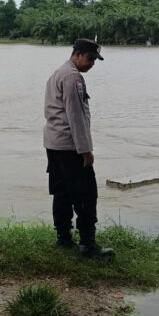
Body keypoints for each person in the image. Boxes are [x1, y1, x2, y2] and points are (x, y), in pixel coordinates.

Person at [43, 38, 115, 258]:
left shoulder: (59, 72)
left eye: (95, 60)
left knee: (62, 193)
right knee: (86, 194)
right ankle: (87, 244)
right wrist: (86, 151)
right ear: (78, 54)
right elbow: (76, 116)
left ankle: (63, 239)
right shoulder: (73, 77)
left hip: (54, 143)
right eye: (91, 58)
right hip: (70, 146)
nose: (92, 63)